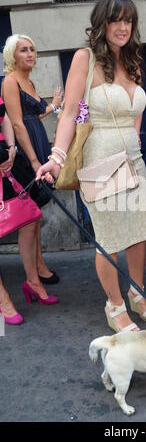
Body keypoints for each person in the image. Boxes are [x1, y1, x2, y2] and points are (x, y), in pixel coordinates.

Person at [36, 0, 146, 332]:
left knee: (137, 233)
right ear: (102, 22)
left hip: (133, 158)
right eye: (116, 19)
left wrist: (133, 142)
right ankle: (115, 304)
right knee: (109, 237)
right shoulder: (84, 59)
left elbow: (135, 112)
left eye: (128, 20)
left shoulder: (133, 60)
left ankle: (137, 292)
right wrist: (57, 158)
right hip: (100, 160)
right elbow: (70, 113)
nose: (122, 26)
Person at [2, 33, 63, 285]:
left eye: (32, 49)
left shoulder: (30, 82)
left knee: (36, 212)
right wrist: (34, 160)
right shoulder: (10, 81)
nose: (30, 54)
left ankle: (39, 263)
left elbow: (31, 118)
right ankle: (35, 269)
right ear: (12, 56)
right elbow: (16, 123)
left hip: (36, 145)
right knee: (30, 214)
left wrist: (54, 107)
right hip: (25, 156)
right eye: (23, 50)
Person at [0, 105, 58, 325]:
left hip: (6, 158)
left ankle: (33, 281)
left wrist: (12, 148)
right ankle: (3, 299)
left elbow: (4, 116)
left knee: (30, 218)